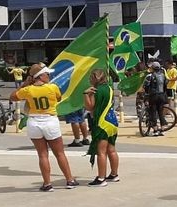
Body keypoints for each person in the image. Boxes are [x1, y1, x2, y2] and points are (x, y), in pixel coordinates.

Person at [10, 64, 78, 192]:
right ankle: (70, 180)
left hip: (34, 121)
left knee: (42, 155)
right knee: (59, 153)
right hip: (50, 120)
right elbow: (58, 98)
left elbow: (13, 96)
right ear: (40, 76)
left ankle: (47, 183)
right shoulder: (52, 87)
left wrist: (25, 84)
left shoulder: (28, 90)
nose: (49, 76)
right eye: (47, 74)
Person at [83, 69, 120, 187]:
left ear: (94, 78)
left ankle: (101, 178)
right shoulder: (109, 88)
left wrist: (86, 94)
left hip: (102, 123)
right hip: (112, 121)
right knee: (112, 150)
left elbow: (89, 107)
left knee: (101, 152)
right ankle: (114, 174)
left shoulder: (95, 90)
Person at [143, 61, 168, 136]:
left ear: (152, 68)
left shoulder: (150, 76)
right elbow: (165, 85)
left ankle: (155, 129)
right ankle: (162, 128)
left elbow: (146, 86)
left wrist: (147, 94)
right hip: (162, 96)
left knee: (153, 112)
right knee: (160, 112)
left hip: (153, 96)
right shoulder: (163, 75)